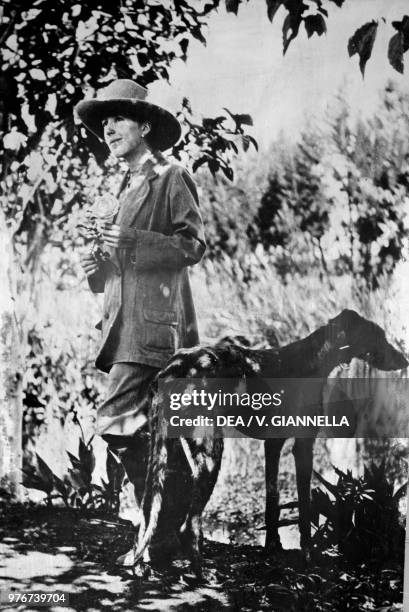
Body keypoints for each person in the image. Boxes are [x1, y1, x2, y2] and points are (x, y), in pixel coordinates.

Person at [75, 79, 205, 560]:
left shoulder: (170, 176)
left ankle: (169, 518)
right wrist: (98, 271)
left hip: (153, 330)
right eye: (104, 121)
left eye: (119, 119)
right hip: (123, 329)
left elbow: (192, 246)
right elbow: (120, 266)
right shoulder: (125, 185)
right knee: (147, 433)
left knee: (113, 421)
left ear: (145, 126)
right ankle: (165, 535)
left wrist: (131, 244)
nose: (108, 129)